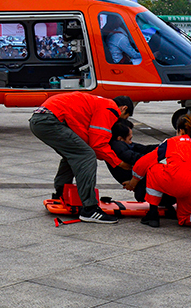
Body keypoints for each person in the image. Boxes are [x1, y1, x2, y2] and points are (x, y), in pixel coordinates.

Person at [30, 92, 134, 224]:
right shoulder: (110, 108)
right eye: (125, 117)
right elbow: (98, 144)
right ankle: (90, 209)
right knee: (87, 156)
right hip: (50, 121)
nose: (120, 121)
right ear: (123, 108)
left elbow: (90, 138)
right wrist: (119, 163)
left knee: (75, 153)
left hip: (41, 118)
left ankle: (61, 192)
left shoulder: (98, 102)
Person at [125, 114, 191, 234]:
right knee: (185, 218)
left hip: (178, 178)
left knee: (154, 169)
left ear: (180, 131)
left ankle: (152, 215)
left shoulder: (173, 141)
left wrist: (133, 182)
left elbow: (144, 162)